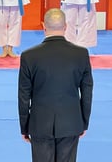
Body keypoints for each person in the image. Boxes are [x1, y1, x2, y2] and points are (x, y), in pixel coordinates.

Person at [18, 8, 93, 162]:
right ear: (66, 26)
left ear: (43, 26)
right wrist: (83, 122)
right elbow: (87, 92)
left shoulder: (29, 56)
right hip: (71, 122)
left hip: (39, 123)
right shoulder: (81, 54)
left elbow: (23, 96)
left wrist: (24, 127)